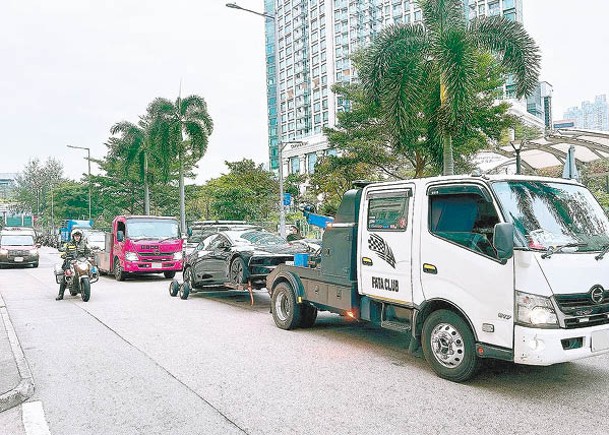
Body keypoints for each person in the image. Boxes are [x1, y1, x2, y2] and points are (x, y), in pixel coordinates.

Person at [55, 229, 92, 300]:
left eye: (78, 236)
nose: (77, 237)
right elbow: (64, 249)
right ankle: (60, 294)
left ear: (80, 236)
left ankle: (90, 277)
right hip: (70, 261)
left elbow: (88, 251)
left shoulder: (84, 244)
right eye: (76, 236)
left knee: (89, 267)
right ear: (73, 236)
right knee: (66, 275)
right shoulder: (69, 244)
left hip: (80, 261)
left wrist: (89, 254)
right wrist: (62, 252)